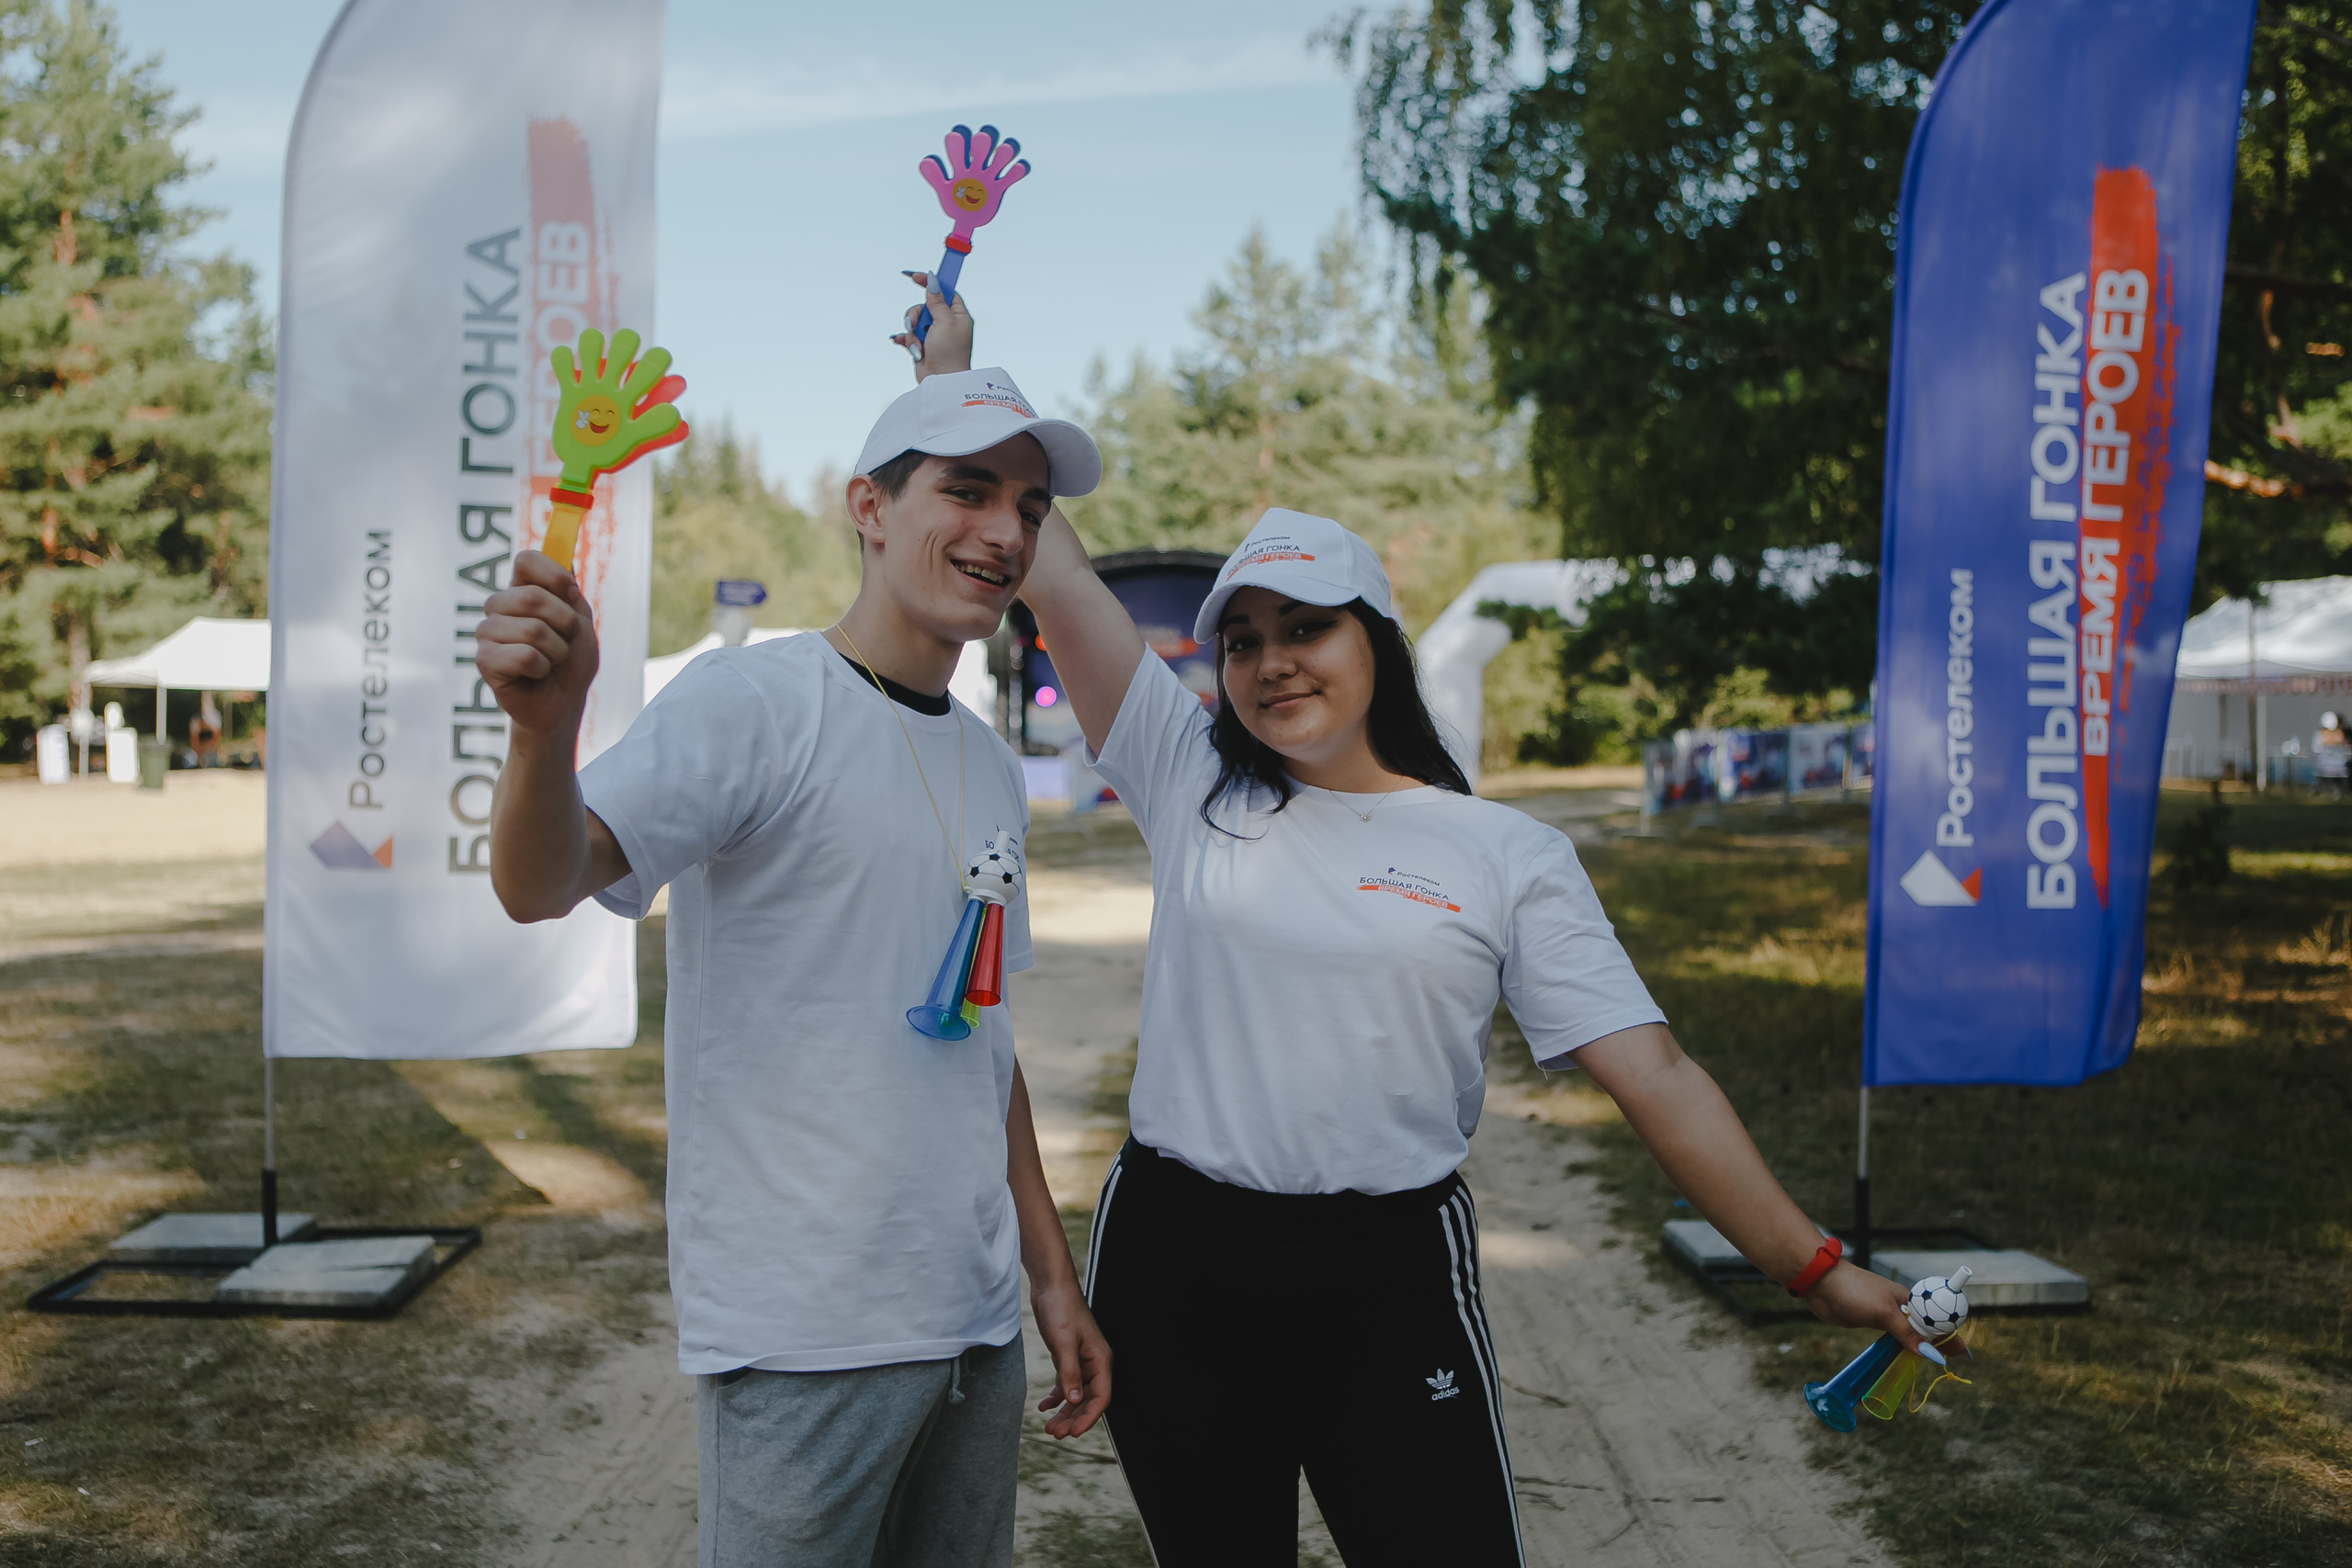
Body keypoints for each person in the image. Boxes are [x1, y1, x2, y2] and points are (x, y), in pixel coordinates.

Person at [924, 340, 1920, 1562]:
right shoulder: (1189, 778)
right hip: (1176, 1260)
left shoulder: (1505, 852)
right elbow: (1061, 569)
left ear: (1377, 642)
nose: (1272, 661)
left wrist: (1810, 1264)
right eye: (1242, 640)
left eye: (1306, 628)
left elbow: (1656, 1076)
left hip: (1387, 1269)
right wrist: (954, 375)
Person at [474, 302, 1112, 1567]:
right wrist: (544, 735)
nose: (1004, 531)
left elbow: (981, 1041)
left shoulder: (989, 762)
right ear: (869, 507)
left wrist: (1050, 1275)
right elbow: (543, 881)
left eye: (1030, 508)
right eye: (967, 490)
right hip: (806, 1339)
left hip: (973, 1328)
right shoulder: (755, 701)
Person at [2316, 711, 2348, 797]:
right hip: (2339, 767)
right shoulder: (2339, 735)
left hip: (2325, 767)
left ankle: (2323, 791)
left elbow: (2316, 750)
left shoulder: (2320, 735)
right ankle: (2338, 791)